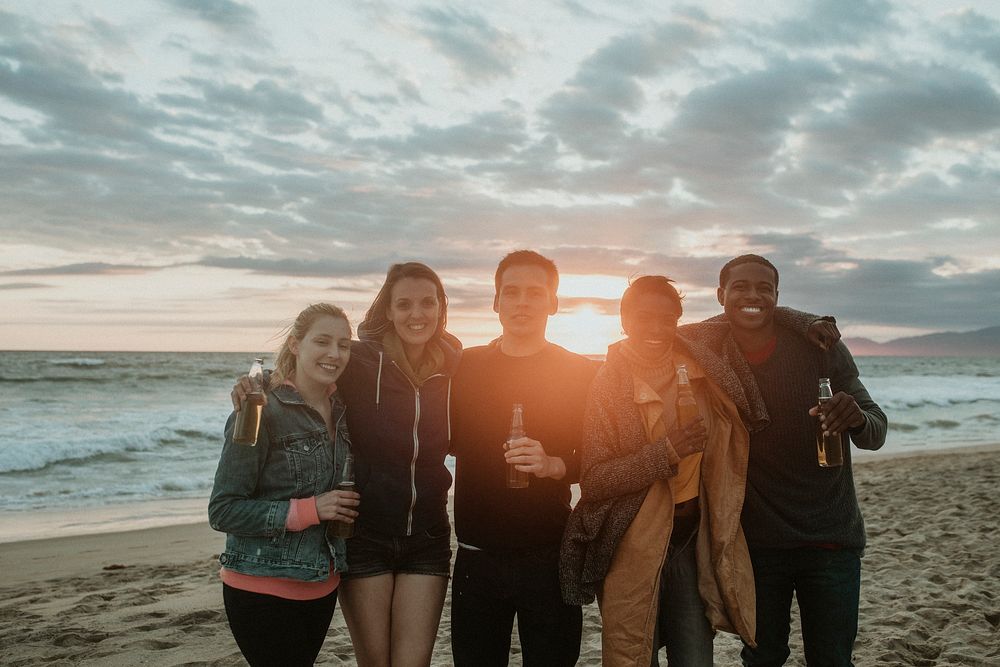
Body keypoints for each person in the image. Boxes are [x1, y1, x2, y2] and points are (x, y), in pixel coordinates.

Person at [231, 263, 461, 667]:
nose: (416, 314)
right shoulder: (360, 360)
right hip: (363, 535)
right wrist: (258, 382)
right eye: (403, 304)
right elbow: (309, 370)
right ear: (387, 310)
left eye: (428, 303)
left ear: (442, 308)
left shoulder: (456, 369)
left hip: (427, 535)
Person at [560, 276, 757, 666]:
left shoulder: (701, 366)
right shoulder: (608, 385)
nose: (655, 329)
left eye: (666, 319)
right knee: (633, 655)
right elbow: (596, 479)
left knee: (695, 656)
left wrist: (809, 323)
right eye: (643, 317)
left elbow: (747, 310)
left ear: (678, 322)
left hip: (690, 539)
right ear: (624, 319)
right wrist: (666, 452)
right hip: (631, 544)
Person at [714, 254, 887, 667]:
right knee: (762, 658)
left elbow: (877, 431)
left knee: (831, 659)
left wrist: (856, 418)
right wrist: (800, 316)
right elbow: (666, 330)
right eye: (740, 287)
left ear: (777, 296)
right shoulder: (710, 351)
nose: (752, 296)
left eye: (765, 288)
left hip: (830, 539)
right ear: (721, 295)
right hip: (756, 544)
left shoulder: (821, 346)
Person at [449, 250, 598, 667]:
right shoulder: (463, 368)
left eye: (536, 292)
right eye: (510, 292)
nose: (522, 302)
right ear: (495, 302)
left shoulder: (580, 372)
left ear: (554, 302)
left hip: (550, 554)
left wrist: (555, 465)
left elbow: (598, 457)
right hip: (476, 554)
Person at [209, 303, 360, 667]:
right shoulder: (259, 409)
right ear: (295, 344)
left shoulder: (342, 409)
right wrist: (310, 509)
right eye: (322, 341)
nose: (334, 353)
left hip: (321, 584)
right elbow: (223, 509)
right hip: (262, 584)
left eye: (343, 344)